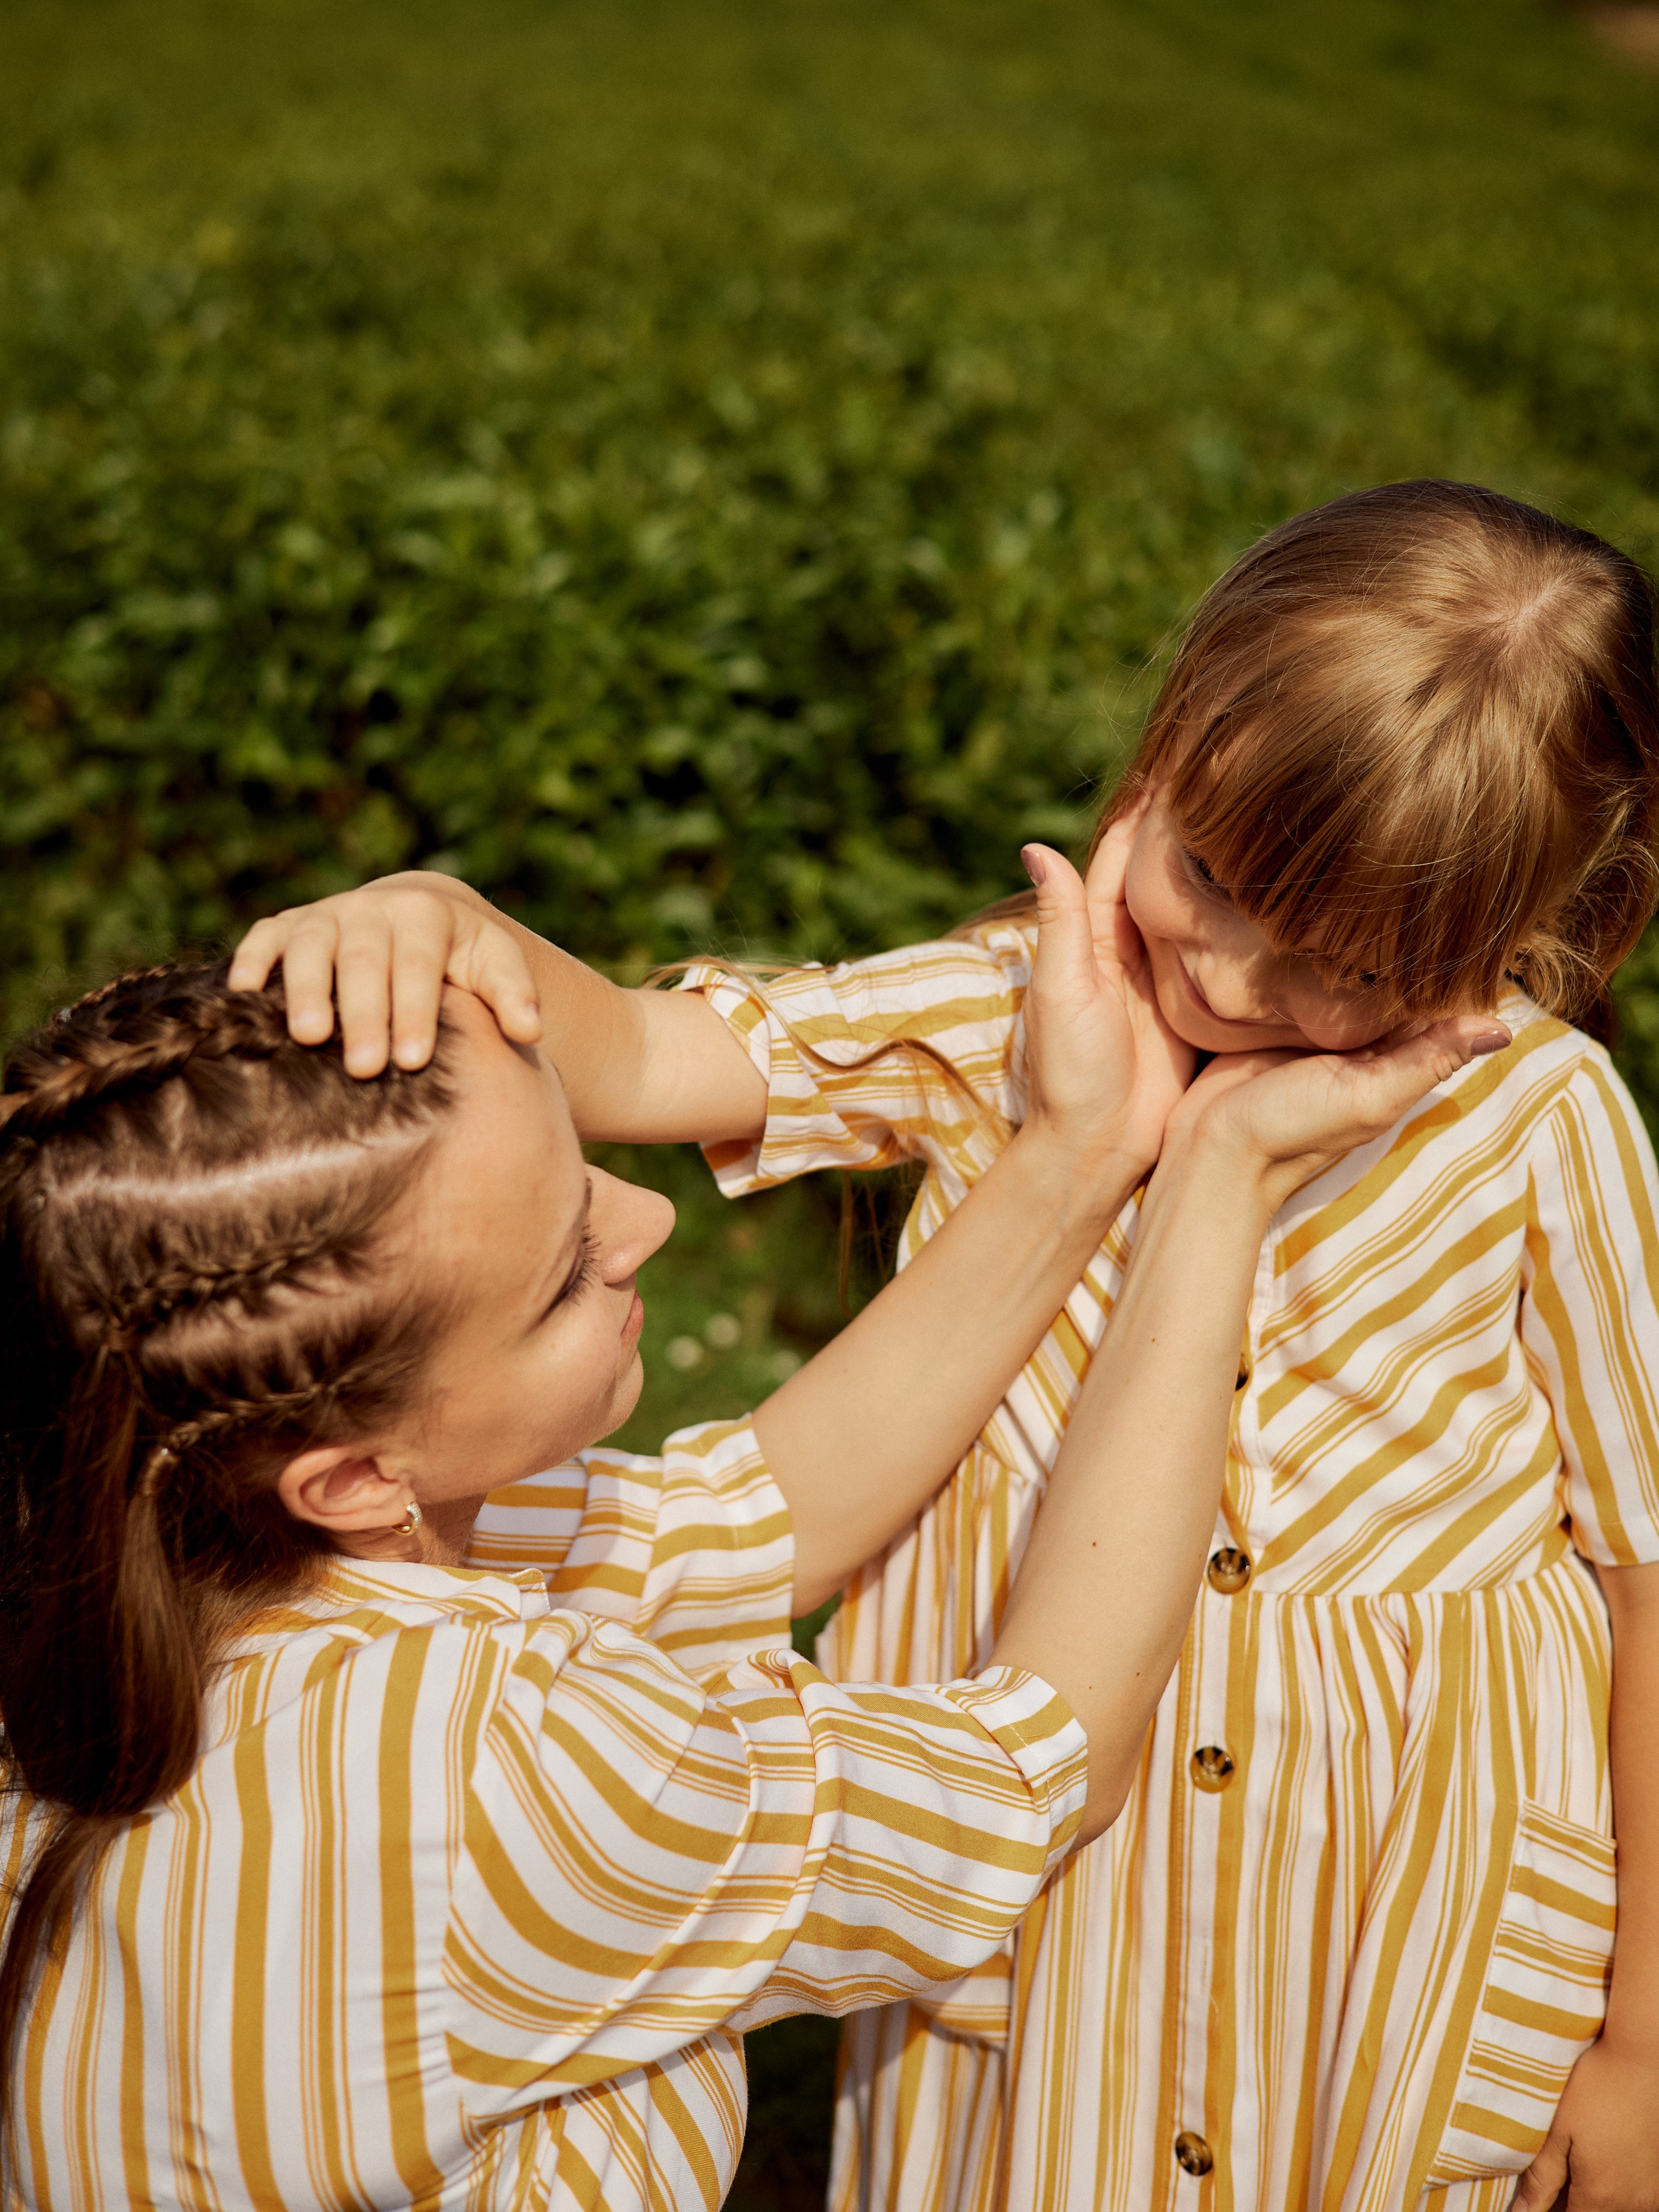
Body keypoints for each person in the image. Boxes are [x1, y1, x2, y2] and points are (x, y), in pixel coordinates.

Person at [277, 482, 1659, 2212]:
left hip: (1390, 1910)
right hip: (1046, 1902)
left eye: (1339, 967)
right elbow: (644, 1053)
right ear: (1174, 739)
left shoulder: (1545, 1123)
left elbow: (1640, 1572)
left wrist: (1646, 2039)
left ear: (1496, 931)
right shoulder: (1027, 1007)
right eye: (1210, 873)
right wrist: (438, 916)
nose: (1224, 978)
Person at [0, 848, 1494, 2211]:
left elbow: (757, 1519)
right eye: (564, 1272)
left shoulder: (160, 1574)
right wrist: (1217, 1188)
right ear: (347, 1477)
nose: (642, 1223)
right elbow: (1032, 1771)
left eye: (578, 1160)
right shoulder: (508, 1769)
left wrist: (1080, 1148)